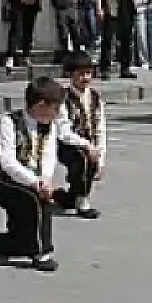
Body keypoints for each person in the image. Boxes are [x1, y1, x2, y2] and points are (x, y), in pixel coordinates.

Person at [0, 77, 90, 270]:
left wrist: (45, 180)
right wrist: (34, 182)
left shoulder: (49, 125)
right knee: (38, 201)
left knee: (20, 242)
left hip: (35, 181)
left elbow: (49, 155)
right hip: (3, 181)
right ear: (41, 105)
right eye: (55, 108)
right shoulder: (9, 122)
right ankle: (42, 253)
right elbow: (8, 162)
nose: (58, 113)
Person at [59, 51, 107, 219]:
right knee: (82, 158)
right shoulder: (63, 99)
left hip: (89, 144)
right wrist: (87, 146)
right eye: (80, 74)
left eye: (88, 73)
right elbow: (63, 133)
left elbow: (100, 128)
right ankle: (82, 202)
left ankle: (71, 196)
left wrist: (101, 158)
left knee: (91, 159)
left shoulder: (95, 97)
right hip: (64, 144)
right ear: (70, 75)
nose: (85, 78)